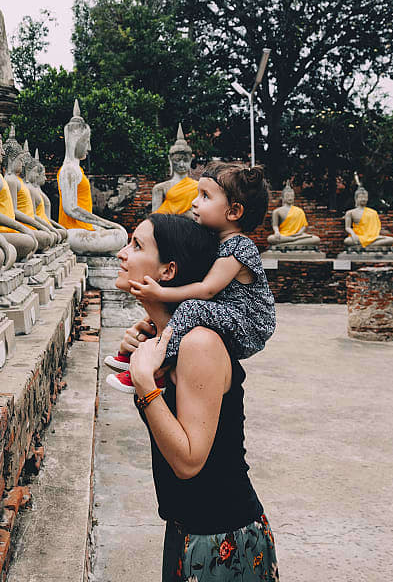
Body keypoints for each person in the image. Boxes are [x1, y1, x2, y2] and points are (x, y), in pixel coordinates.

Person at [112, 214, 279, 581]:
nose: (123, 254)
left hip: (222, 537)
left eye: (137, 246)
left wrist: (144, 383)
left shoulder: (200, 342)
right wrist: (150, 370)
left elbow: (188, 462)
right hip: (185, 528)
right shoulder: (167, 342)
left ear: (168, 271)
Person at [105, 163, 275, 384]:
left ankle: (159, 365)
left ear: (233, 211)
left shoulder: (239, 247)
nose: (194, 202)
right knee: (170, 313)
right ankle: (135, 351)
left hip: (248, 324)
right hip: (226, 313)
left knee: (190, 307)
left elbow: (206, 290)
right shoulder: (214, 243)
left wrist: (159, 293)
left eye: (205, 196)